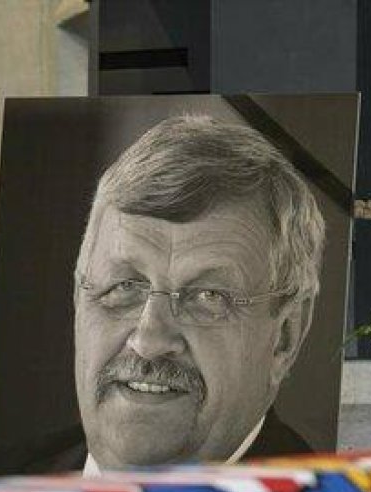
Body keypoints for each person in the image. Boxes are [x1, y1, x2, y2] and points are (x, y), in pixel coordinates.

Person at [73, 115, 326, 472]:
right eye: (124, 287)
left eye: (208, 297)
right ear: (78, 301)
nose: (149, 341)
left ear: (285, 337)